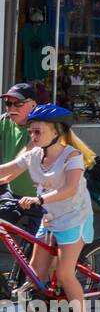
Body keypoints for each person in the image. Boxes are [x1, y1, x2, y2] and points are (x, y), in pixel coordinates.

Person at [0, 105, 97, 312]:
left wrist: (39, 200)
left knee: (65, 273)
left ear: (56, 131)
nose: (32, 136)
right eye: (31, 132)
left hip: (74, 218)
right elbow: (7, 171)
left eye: (37, 132)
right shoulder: (33, 155)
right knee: (35, 276)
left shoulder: (71, 156)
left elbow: (70, 189)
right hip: (51, 218)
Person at [0, 83, 38, 225]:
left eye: (18, 104)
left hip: (41, 198)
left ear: (33, 105)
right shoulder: (5, 121)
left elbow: (22, 161)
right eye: (8, 103)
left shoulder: (40, 126)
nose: (12, 108)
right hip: (13, 194)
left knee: (41, 245)